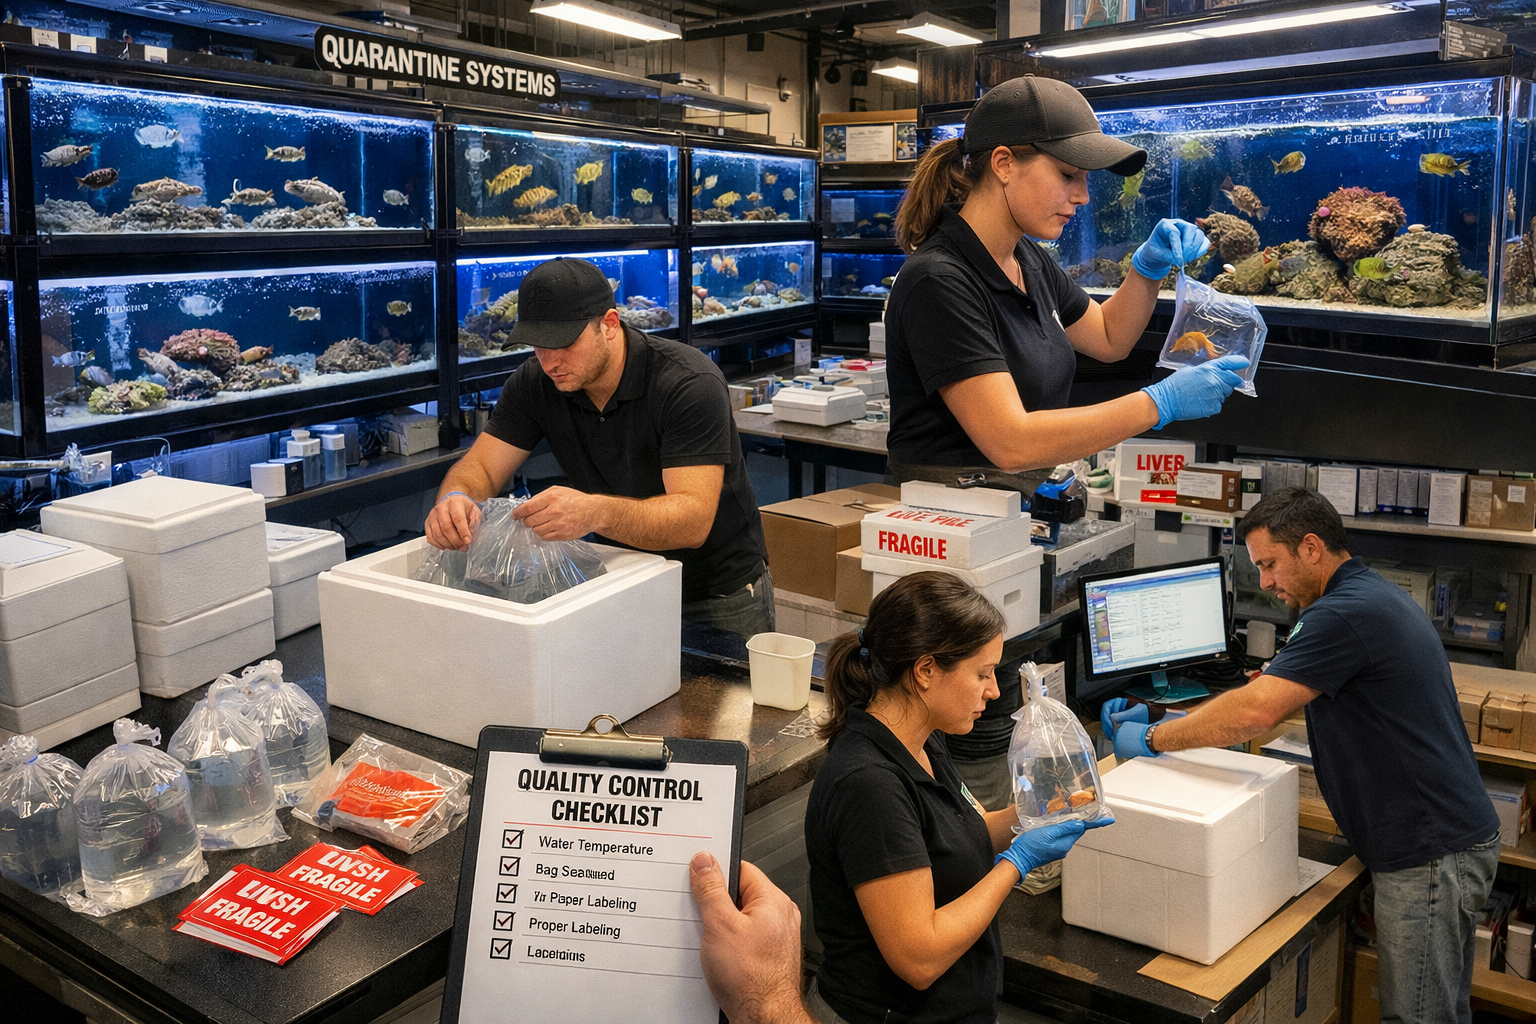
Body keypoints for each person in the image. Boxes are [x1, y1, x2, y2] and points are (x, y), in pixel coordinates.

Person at [886, 75, 1249, 808]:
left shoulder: (1029, 260)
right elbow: (1010, 438)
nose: (1081, 196)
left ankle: (1017, 834)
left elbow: (1112, 339)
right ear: (1005, 164)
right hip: (955, 549)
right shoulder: (940, 280)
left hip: (1020, 532)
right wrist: (1159, 403)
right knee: (977, 726)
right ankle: (986, 859)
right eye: (1069, 175)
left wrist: (1144, 272)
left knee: (1025, 697)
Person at [1101, 487, 1500, 1024]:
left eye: (1269, 564)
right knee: (1440, 1012)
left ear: (1311, 548)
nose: (1264, 582)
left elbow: (1256, 713)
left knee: (1418, 1019)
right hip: (1435, 841)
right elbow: (1277, 695)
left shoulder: (1344, 613)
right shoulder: (1362, 595)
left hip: (1429, 852)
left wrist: (1152, 741)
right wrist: (1170, 718)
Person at [804, 572, 1112, 1024]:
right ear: (926, 671)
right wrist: (1017, 863)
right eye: (982, 673)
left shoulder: (923, 740)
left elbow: (957, 835)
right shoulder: (869, 785)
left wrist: (1033, 814)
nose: (993, 690)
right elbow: (919, 959)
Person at [424, 257, 773, 638]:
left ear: (608, 324)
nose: (550, 361)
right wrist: (455, 500)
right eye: (538, 345)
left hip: (716, 594)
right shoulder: (536, 381)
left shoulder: (687, 383)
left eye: (564, 343)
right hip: (620, 579)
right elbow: (482, 470)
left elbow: (692, 520)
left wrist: (593, 512)